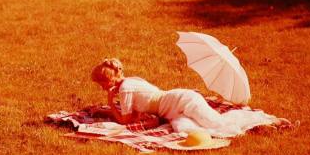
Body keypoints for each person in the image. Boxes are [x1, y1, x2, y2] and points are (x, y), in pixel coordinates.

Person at [90, 58, 293, 138]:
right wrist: (103, 111)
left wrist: (109, 103)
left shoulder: (125, 89)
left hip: (182, 100)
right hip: (171, 113)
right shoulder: (130, 82)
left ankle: (266, 121)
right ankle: (253, 128)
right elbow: (133, 114)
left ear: (109, 81)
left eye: (101, 85)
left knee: (216, 122)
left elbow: (126, 120)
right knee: (188, 131)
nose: (102, 88)